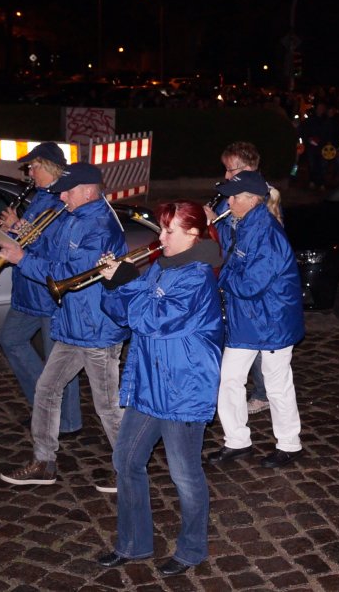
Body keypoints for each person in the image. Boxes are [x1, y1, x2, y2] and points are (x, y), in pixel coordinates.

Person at [96, 201, 223, 577]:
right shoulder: (163, 268)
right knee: (126, 462)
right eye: (161, 229)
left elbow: (155, 319)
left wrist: (124, 282)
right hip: (151, 385)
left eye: (170, 231)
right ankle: (134, 544)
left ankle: (192, 549)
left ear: (193, 235)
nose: (160, 237)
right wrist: (115, 282)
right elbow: (122, 312)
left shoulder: (198, 276)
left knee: (184, 474)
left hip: (184, 389)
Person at [0, 163, 128, 489]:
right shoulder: (73, 217)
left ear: (87, 191)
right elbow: (46, 248)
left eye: (67, 191)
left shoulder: (101, 226)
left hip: (98, 330)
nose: (62, 196)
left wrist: (21, 260)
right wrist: (20, 236)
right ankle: (44, 462)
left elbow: (71, 274)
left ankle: (129, 470)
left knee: (108, 406)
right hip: (72, 326)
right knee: (46, 389)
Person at [207, 171, 306, 469]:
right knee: (229, 379)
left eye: (233, 197)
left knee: (277, 384)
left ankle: (290, 444)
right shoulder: (243, 222)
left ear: (250, 200)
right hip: (248, 318)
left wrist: (219, 273)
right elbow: (230, 246)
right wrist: (215, 221)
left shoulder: (268, 234)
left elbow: (250, 284)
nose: (228, 200)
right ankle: (237, 441)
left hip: (272, 320)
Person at [0, 142, 81, 436]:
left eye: (32, 167)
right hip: (29, 289)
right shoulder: (39, 197)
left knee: (58, 363)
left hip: (48, 290)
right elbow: (30, 237)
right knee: (10, 339)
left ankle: (68, 423)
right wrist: (10, 229)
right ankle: (44, 405)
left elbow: (54, 247)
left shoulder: (63, 197)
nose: (29, 172)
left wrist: (20, 227)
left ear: (47, 165)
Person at [205, 141, 273, 415]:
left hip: (247, 281)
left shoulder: (264, 199)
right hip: (230, 276)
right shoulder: (228, 196)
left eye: (230, 170)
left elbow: (245, 242)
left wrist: (218, 224)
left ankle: (263, 392)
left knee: (253, 339)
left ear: (247, 169)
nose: (225, 176)